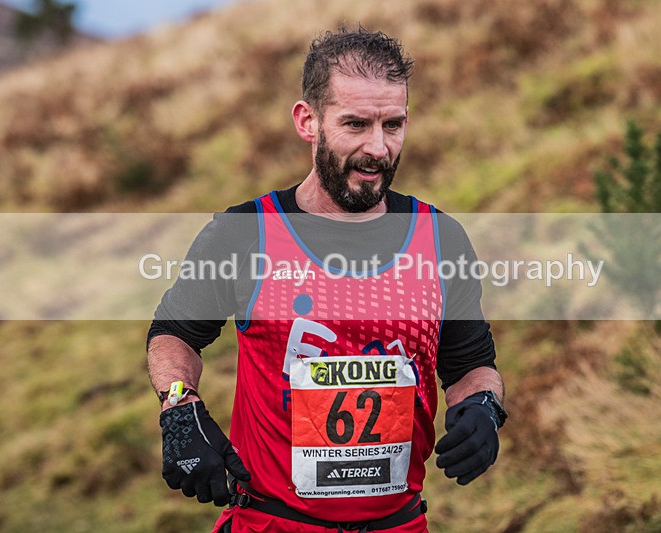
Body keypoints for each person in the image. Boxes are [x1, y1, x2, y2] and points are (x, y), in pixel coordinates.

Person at [147, 27, 507, 533]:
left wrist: (484, 407)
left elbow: (471, 363)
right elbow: (175, 332)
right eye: (356, 124)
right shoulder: (246, 233)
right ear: (308, 121)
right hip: (271, 525)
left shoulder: (440, 239)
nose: (378, 149)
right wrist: (180, 410)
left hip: (400, 526)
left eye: (393, 124)